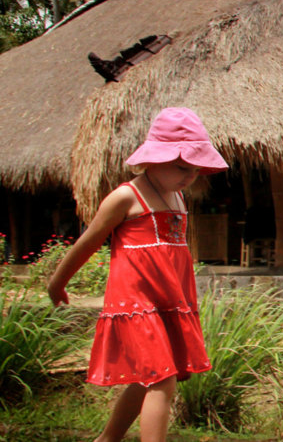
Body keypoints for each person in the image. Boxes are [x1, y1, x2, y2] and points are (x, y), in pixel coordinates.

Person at [47, 107, 228, 442]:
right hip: (136, 301)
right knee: (162, 379)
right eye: (180, 167)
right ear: (153, 159)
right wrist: (58, 282)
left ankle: (107, 439)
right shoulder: (126, 196)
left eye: (194, 168)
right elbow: (88, 242)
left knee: (150, 376)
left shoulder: (177, 196)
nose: (188, 175)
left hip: (167, 300)